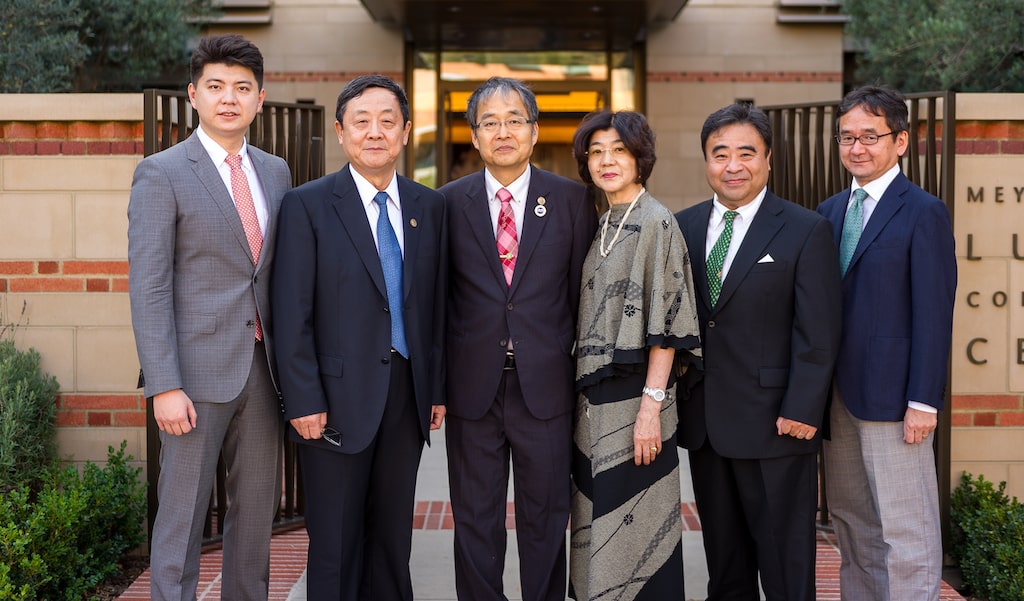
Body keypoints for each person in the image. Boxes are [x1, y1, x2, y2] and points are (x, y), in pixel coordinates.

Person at [127, 34, 291, 601]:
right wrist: (164, 384)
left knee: (255, 521)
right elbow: (149, 285)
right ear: (193, 95)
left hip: (265, 371)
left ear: (260, 99)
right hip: (193, 376)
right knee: (182, 518)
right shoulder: (162, 171)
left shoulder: (276, 172)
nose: (229, 98)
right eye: (216, 87)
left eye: (242, 88)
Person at [271, 74, 447, 601]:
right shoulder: (308, 204)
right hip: (333, 401)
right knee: (335, 543)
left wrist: (434, 388)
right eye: (362, 122)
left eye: (387, 122)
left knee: (393, 540)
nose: (376, 133)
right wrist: (303, 398)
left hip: (405, 397)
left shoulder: (428, 206)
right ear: (341, 132)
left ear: (406, 132)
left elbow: (433, 306)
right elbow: (291, 311)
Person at [674, 103, 842, 601]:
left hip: (777, 426)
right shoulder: (682, 227)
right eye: (719, 154)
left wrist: (803, 408)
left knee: (785, 566)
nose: (733, 165)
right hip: (706, 424)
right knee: (726, 567)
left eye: (746, 153)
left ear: (768, 159)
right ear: (706, 161)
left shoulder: (804, 229)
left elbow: (819, 332)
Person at [439, 76, 598, 601]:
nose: (502, 131)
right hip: (472, 392)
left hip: (546, 390)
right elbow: (439, 302)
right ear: (474, 136)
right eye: (490, 122)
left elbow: (583, 299)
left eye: (514, 120)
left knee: (547, 519)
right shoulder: (447, 204)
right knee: (475, 520)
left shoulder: (573, 202)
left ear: (534, 132)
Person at [818, 85, 956, 601]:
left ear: (900, 142)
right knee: (854, 528)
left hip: (897, 404)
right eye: (847, 137)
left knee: (907, 532)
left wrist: (924, 399)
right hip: (836, 401)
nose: (857, 148)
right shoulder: (829, 211)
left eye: (869, 137)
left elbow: (934, 313)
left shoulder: (923, 212)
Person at [569, 110, 701, 600]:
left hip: (637, 400)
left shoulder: (656, 221)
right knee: (596, 525)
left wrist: (650, 408)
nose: (606, 160)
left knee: (639, 529)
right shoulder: (603, 222)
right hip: (594, 404)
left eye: (619, 150)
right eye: (597, 151)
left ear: (641, 158)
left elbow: (668, 325)